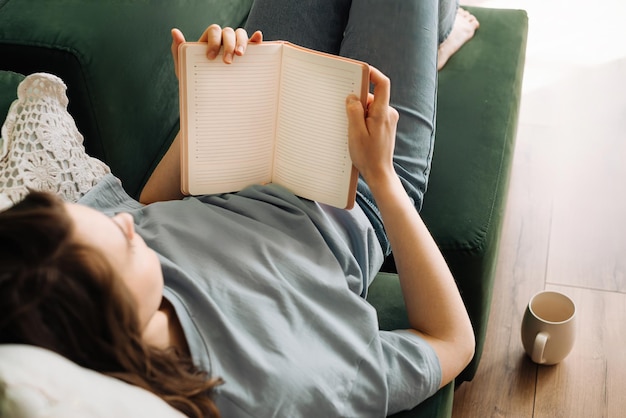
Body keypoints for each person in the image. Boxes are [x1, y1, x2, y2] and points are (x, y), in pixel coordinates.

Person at [0, 0, 475, 417]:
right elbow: (451, 341)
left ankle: (425, 51)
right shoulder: (284, 386)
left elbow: (150, 209)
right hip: (360, 185)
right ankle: (433, 41)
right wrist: (384, 177)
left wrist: (204, 109)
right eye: (124, 246)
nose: (124, 223)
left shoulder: (90, 263)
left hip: (254, 127)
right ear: (113, 331)